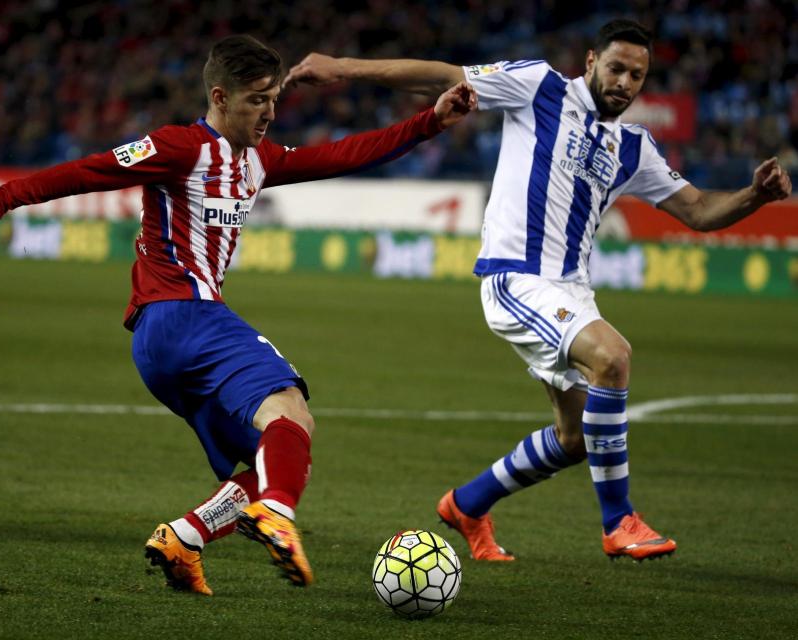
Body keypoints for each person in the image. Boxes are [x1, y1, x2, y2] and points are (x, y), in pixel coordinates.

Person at [0, 34, 476, 592]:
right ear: (220, 97)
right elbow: (89, 170)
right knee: (288, 408)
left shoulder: (259, 159)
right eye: (257, 100)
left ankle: (186, 537)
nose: (270, 112)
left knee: (285, 446)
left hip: (165, 344)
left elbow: (344, 154)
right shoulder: (178, 147)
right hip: (183, 315)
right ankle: (276, 513)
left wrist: (430, 122)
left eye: (274, 99)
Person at [284, 19, 793, 562]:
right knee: (613, 357)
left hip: (572, 292)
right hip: (516, 278)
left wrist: (754, 197)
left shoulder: (634, 148)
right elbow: (442, 76)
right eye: (616, 68)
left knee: (575, 440)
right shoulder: (540, 86)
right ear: (592, 60)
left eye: (637, 75)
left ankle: (468, 504)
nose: (624, 82)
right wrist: (340, 68)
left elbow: (697, 210)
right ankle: (619, 521)